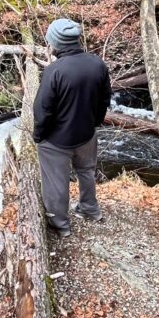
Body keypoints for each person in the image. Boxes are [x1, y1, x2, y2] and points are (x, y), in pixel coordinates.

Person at [33, 18, 111, 236]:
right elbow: (105, 100)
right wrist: (94, 123)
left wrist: (39, 136)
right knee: (86, 172)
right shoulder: (97, 63)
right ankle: (90, 209)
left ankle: (61, 225)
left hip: (58, 140)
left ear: (55, 43)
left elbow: (42, 110)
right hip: (87, 134)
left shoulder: (54, 71)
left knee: (56, 182)